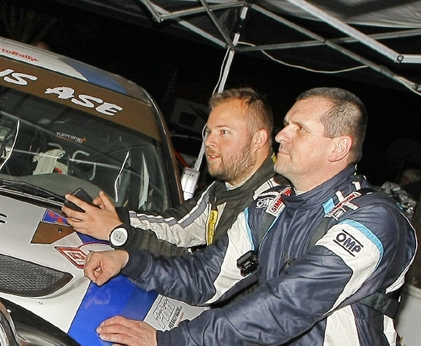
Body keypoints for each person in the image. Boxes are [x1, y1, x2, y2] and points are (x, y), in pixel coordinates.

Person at [84, 87, 417, 346]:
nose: (281, 135)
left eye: (299, 128)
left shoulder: (375, 220)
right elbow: (206, 277)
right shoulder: (273, 205)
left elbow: (282, 307)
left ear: (338, 147)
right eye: (286, 124)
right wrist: (131, 260)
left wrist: (168, 343)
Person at [62, 87, 281, 257]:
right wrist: (117, 217)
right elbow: (179, 226)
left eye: (224, 132)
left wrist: (120, 233)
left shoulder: (272, 204)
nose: (209, 142)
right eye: (209, 132)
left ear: (258, 139)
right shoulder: (222, 188)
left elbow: (207, 273)